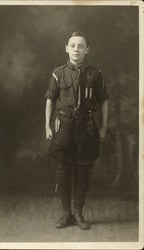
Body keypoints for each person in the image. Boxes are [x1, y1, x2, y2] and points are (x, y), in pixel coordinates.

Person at [45, 31, 108, 230]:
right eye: (72, 45)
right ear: (66, 48)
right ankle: (66, 213)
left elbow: (104, 100)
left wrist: (104, 126)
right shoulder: (58, 73)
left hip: (86, 128)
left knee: (82, 170)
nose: (76, 49)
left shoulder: (95, 74)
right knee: (63, 170)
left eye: (81, 46)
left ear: (87, 50)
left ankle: (79, 213)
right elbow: (50, 100)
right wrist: (47, 126)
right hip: (62, 126)